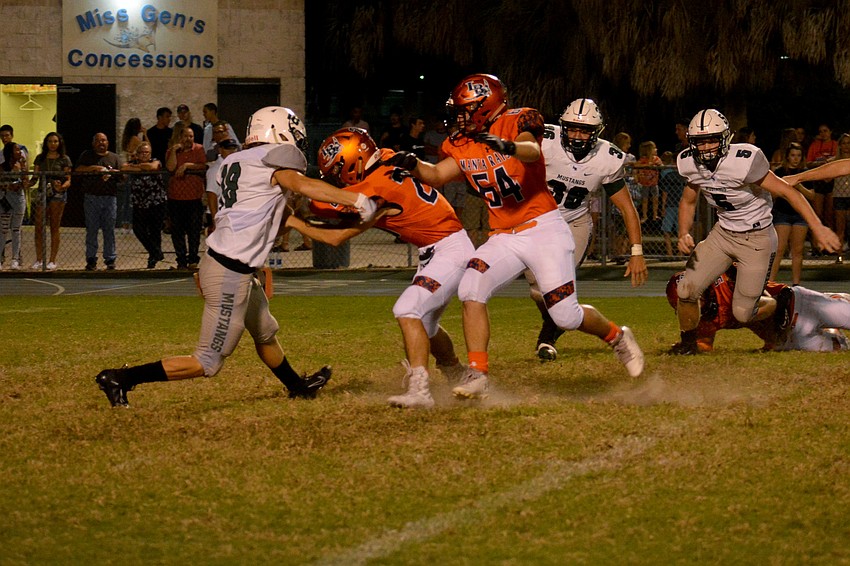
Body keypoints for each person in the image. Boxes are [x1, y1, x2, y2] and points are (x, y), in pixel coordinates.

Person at [95, 106, 379, 408]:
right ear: (277, 131)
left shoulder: (239, 162)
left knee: (266, 332)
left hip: (232, 266)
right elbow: (302, 185)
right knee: (207, 361)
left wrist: (366, 218)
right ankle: (120, 378)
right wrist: (356, 199)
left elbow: (304, 225)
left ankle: (297, 386)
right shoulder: (272, 162)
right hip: (229, 271)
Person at [383, 73, 645, 399]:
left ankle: (618, 337)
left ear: (484, 107)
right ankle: (478, 373)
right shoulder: (460, 143)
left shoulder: (519, 119)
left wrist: (506, 146)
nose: (459, 117)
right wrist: (412, 164)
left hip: (545, 230)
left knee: (565, 315)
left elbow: (532, 152)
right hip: (504, 234)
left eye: (466, 110)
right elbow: (437, 175)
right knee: (470, 285)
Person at [287, 127, 473, 408]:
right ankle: (457, 373)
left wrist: (291, 217)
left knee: (407, 309)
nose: (336, 180)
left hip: (449, 250)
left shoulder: (376, 189)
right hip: (440, 249)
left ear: (353, 162)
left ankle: (419, 390)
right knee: (425, 325)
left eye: (337, 172)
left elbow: (332, 227)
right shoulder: (385, 158)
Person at [669, 109, 839, 355]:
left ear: (726, 139)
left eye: (712, 140)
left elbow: (789, 192)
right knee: (686, 289)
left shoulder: (745, 160)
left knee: (743, 313)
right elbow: (688, 199)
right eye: (700, 141)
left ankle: (778, 304)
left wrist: (818, 227)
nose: (705, 147)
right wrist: (684, 231)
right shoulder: (688, 161)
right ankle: (688, 343)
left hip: (757, 238)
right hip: (722, 233)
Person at [534, 98, 647, 361]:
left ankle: (546, 338)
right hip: (536, 223)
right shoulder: (545, 141)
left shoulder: (607, 158)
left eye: (584, 130)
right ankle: (557, 322)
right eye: (572, 128)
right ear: (562, 126)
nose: (576, 135)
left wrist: (637, 251)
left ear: (596, 132)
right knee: (537, 291)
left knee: (553, 289)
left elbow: (627, 208)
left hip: (574, 224)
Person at [666, 268, 850, 352]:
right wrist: (685, 346)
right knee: (841, 347)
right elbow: (705, 345)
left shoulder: (725, 276)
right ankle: (832, 331)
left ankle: (836, 300)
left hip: (797, 304)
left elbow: (770, 304)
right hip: (786, 339)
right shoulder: (703, 320)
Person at [76, 133, 123, 270]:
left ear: (107, 142)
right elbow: (78, 169)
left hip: (110, 198)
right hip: (92, 198)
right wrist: (94, 168)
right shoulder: (87, 156)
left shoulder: (114, 158)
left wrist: (114, 173)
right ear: (93, 143)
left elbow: (123, 176)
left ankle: (110, 259)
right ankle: (91, 259)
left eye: (103, 140)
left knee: (109, 230)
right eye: (97, 140)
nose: (101, 143)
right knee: (92, 229)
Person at [769, 142, 814, 285]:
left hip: (800, 214)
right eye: (793, 155)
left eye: (799, 156)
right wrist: (784, 188)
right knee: (779, 248)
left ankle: (796, 284)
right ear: (787, 156)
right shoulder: (779, 172)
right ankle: (770, 282)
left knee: (798, 250)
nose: (796, 159)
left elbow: (812, 196)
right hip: (782, 213)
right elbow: (772, 194)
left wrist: (799, 184)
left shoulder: (805, 173)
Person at [165, 126, 207, 270]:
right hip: (175, 197)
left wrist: (187, 165)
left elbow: (203, 165)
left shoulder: (199, 149)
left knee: (194, 231)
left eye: (191, 136)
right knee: (177, 231)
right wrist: (174, 152)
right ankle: (181, 260)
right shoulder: (172, 151)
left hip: (193, 197)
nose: (188, 139)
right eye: (186, 136)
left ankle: (193, 259)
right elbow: (170, 168)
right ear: (180, 137)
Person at [121, 142, 167, 269]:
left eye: (146, 152)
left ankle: (153, 258)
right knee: (138, 229)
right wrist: (140, 167)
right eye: (141, 152)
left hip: (156, 202)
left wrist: (136, 168)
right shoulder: (132, 163)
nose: (144, 154)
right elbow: (124, 168)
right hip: (139, 203)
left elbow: (152, 167)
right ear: (137, 154)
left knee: (154, 231)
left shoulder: (156, 161)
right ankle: (155, 251)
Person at [30, 132, 72, 270]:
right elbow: (34, 178)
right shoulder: (40, 158)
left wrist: (62, 187)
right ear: (46, 143)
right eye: (49, 141)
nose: (52, 144)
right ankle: (39, 259)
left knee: (54, 225)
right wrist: (27, 182)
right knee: (38, 226)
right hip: (42, 192)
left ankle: (52, 260)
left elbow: (68, 179)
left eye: (55, 141)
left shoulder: (64, 159)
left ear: (59, 143)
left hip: (57, 194)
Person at [0, 142, 27, 270]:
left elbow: (25, 183)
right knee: (3, 229)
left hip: (18, 200)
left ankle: (15, 259)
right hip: (4, 200)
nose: (19, 152)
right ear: (10, 152)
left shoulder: (21, 165)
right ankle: (0, 259)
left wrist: (22, 169)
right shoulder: (2, 167)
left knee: (16, 229)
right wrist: (9, 186)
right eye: (17, 150)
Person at [204, 138, 240, 234]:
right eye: (228, 149)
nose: (232, 151)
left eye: (234, 148)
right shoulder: (215, 169)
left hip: (231, 213)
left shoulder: (234, 165)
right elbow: (211, 195)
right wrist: (215, 220)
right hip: (218, 213)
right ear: (220, 150)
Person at [118, 118, 148, 233]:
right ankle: (129, 223)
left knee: (127, 197)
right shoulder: (135, 139)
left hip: (129, 170)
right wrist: (145, 134)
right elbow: (147, 147)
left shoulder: (127, 139)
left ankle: (125, 223)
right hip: (135, 170)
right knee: (133, 198)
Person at [658, 150, 685, 257]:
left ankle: (670, 253)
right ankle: (680, 253)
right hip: (680, 204)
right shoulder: (682, 176)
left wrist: (663, 206)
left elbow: (665, 192)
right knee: (679, 230)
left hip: (671, 204)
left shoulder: (669, 175)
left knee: (667, 230)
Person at [831, 133, 850, 263]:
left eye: (849, 143)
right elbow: (826, 179)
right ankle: (839, 255)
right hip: (839, 196)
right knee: (840, 228)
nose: (846, 146)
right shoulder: (834, 162)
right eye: (844, 143)